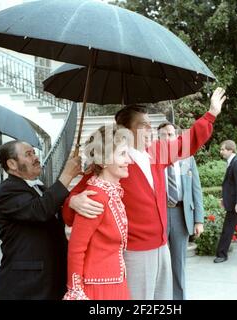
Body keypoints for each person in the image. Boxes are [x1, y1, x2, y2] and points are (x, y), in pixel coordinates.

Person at [65, 87, 226, 300]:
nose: (150, 128)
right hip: (134, 253)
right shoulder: (112, 162)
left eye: (150, 124)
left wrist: (211, 114)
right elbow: (75, 202)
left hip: (162, 246)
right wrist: (73, 201)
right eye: (143, 124)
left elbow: (187, 143)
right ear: (124, 129)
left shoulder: (156, 151)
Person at [0, 140, 81, 300]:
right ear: (12, 164)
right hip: (27, 283)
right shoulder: (6, 191)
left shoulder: (39, 187)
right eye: (28, 154)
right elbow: (40, 210)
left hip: (51, 277)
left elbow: (57, 206)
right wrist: (67, 175)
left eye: (34, 153)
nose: (36, 157)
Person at [63, 125, 132, 300]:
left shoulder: (111, 191)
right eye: (123, 154)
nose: (129, 160)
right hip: (98, 289)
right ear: (103, 161)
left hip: (115, 282)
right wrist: (75, 290)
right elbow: (76, 248)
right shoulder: (95, 196)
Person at [158, 122, 204, 300]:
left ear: (176, 137)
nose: (167, 138)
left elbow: (196, 189)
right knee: (160, 262)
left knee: (178, 262)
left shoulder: (186, 158)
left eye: (170, 134)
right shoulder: (154, 158)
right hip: (159, 214)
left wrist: (199, 220)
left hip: (180, 215)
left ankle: (178, 300)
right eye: (163, 135)